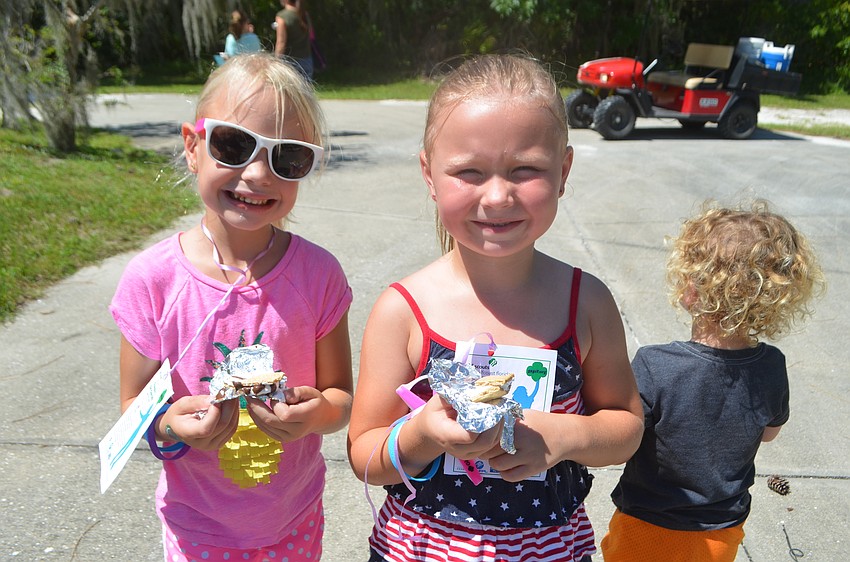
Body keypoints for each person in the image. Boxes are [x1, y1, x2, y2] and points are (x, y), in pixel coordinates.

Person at [347, 53, 644, 562]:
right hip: (421, 550)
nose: (498, 196)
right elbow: (364, 456)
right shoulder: (403, 311)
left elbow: (627, 426)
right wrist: (422, 434)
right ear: (429, 173)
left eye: (525, 170)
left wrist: (563, 435)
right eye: (469, 171)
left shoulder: (587, 302)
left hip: (550, 549)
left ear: (564, 170)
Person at [110, 52, 353, 561]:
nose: (258, 174)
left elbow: (340, 399)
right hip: (196, 525)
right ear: (192, 147)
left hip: (294, 518)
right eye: (234, 145)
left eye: (288, 158)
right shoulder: (153, 280)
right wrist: (171, 423)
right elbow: (135, 406)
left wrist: (315, 415)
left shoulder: (319, 276)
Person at [601, 201, 825, 562]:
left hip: (647, 523)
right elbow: (769, 432)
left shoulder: (655, 364)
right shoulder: (772, 365)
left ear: (692, 286)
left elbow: (623, 438)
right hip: (722, 530)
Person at [275, 0, 314, 79]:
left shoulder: (282, 16)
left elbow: (281, 43)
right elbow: (310, 34)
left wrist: (276, 61)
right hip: (307, 59)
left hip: (291, 62)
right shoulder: (304, 14)